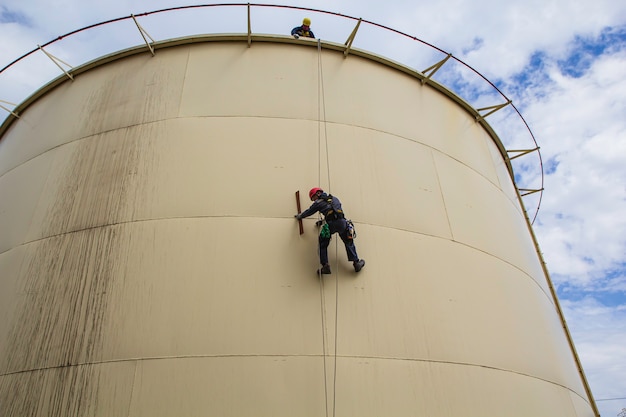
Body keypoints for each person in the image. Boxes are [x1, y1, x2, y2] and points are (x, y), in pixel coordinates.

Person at [295, 187, 365, 274]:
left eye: (313, 198)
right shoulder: (334, 199)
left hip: (331, 224)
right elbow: (333, 212)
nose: (314, 200)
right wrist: (322, 222)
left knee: (323, 242)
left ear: (318, 194)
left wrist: (300, 216)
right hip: (342, 223)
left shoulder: (318, 203)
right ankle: (356, 262)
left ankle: (325, 266)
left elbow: (309, 211)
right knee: (348, 241)